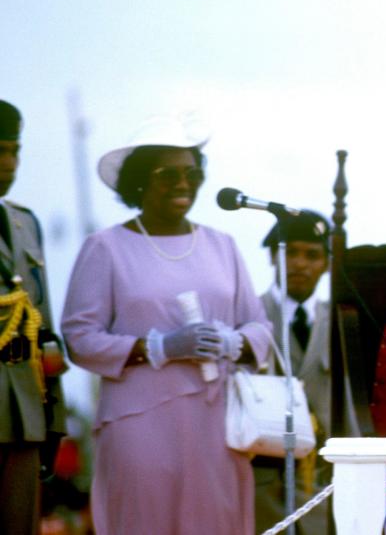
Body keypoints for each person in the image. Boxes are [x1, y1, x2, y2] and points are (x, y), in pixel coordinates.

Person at [61, 115, 272, 534]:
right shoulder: (105, 248)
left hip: (219, 423)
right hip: (140, 421)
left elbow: (261, 327)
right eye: (168, 174)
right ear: (139, 181)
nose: (182, 183)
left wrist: (233, 342)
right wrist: (158, 347)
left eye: (191, 173)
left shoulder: (222, 246)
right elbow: (79, 338)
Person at [0, 99, 68, 534]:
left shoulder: (25, 223)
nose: (9, 163)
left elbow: (43, 333)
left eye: (14, 150)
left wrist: (54, 424)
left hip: (23, 419)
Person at [255, 210, 335, 535]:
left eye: (312, 255)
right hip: (261, 482)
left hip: (324, 480)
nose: (300, 264)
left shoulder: (340, 321)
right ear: (273, 256)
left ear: (327, 263)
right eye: (290, 252)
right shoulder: (249, 315)